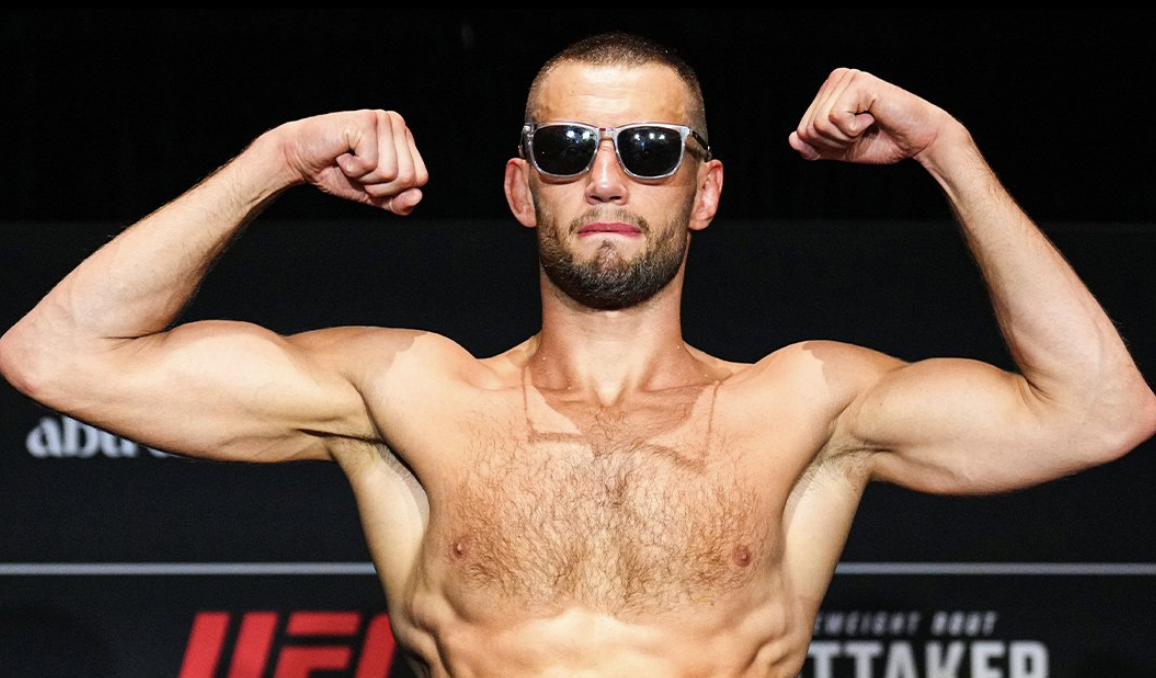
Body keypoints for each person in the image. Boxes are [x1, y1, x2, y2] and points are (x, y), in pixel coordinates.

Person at [1, 29, 1154, 678]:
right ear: (522, 188)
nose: (606, 179)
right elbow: (57, 355)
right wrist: (274, 159)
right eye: (566, 148)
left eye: (647, 148)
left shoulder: (807, 400)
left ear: (703, 191)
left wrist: (948, 148)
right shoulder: (410, 392)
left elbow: (1099, 411)